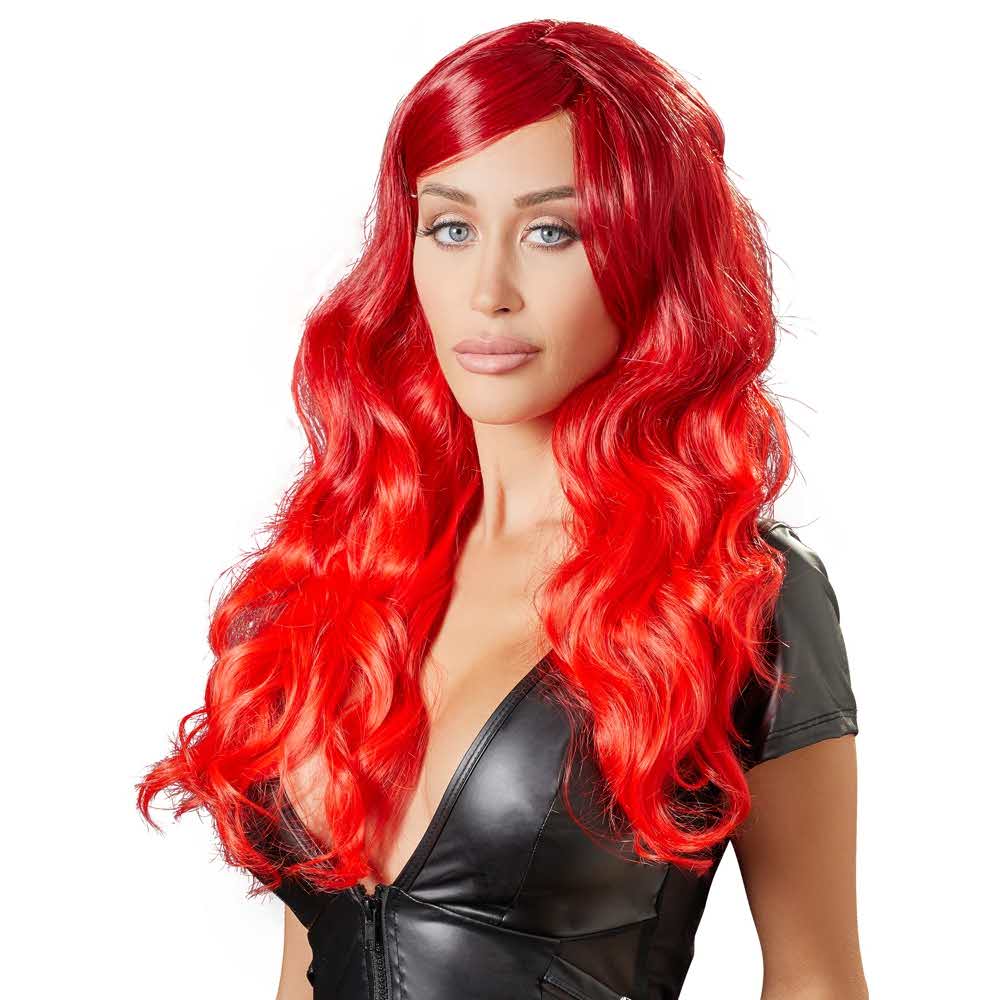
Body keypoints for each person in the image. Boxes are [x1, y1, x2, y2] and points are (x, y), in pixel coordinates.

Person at [137, 19, 865, 1000]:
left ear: (650, 259)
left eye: (552, 232)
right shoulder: (336, 576)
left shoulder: (739, 594)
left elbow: (817, 980)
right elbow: (305, 970)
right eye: (451, 227)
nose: (488, 291)